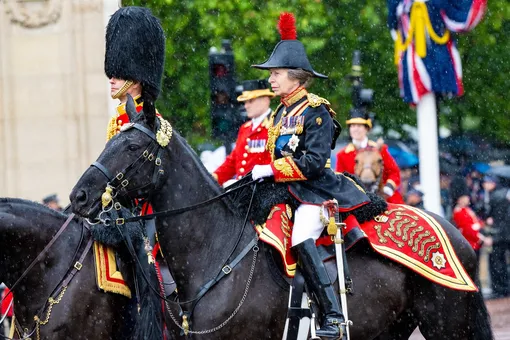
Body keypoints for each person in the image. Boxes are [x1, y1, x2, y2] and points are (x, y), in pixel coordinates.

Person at [251, 12, 370, 338]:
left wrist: (271, 169)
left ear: (297, 77)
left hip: (316, 191)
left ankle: (332, 315)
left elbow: (315, 162)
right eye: (271, 73)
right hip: (286, 190)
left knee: (301, 235)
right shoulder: (280, 111)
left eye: (276, 73)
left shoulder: (316, 109)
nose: (271, 79)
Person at [212, 80, 274, 186]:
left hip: (266, 191)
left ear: (265, 100)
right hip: (243, 193)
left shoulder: (276, 125)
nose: (246, 106)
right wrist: (211, 178)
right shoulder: (245, 128)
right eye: (245, 102)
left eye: (251, 101)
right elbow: (232, 162)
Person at [335, 109, 404, 204]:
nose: (355, 129)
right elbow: (340, 180)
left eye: (359, 126)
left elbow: (394, 172)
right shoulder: (342, 155)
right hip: (356, 200)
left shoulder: (380, 149)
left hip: (384, 197)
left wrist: (389, 187)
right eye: (352, 126)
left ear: (367, 128)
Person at [483, 175, 510, 298]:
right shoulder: (502, 194)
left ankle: (500, 289)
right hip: (503, 235)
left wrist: (494, 237)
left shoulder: (496, 196)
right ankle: (503, 287)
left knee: (496, 262)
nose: (484, 185)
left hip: (499, 235)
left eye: (486, 182)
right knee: (501, 262)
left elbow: (500, 220)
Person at [450, 180, 488, 260]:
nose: (468, 198)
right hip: (469, 244)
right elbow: (467, 229)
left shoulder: (466, 209)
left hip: (474, 243)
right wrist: (480, 238)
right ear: (460, 199)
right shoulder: (458, 212)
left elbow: (475, 223)